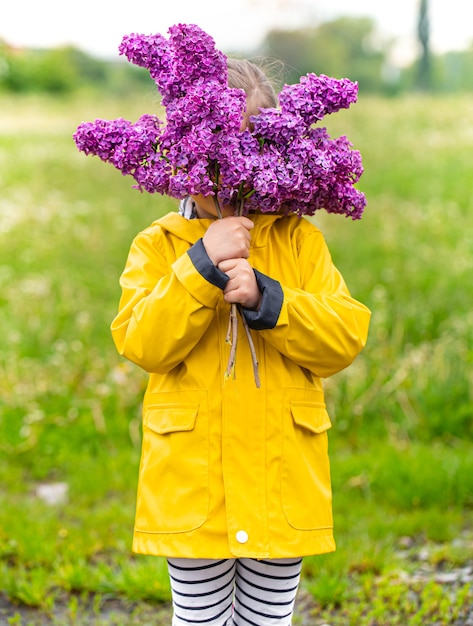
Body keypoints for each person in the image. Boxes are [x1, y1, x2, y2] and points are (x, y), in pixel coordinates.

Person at [110, 59, 371, 626]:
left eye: (246, 159)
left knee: (267, 620)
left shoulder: (299, 241)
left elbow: (344, 337)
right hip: (193, 482)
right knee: (199, 619)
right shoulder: (158, 245)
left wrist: (270, 300)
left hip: (282, 479)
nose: (228, 185)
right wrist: (200, 265)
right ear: (178, 155)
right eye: (208, 164)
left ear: (276, 156)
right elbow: (142, 342)